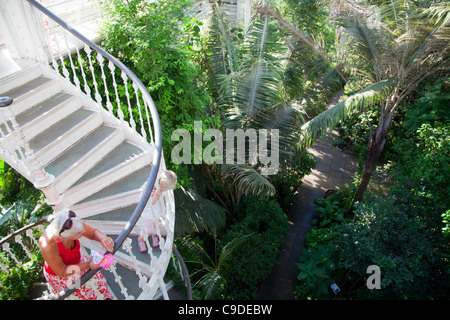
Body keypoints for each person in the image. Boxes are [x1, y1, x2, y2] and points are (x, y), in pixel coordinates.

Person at [39, 209, 115, 300]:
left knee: (96, 289)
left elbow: (92, 233)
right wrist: (88, 264)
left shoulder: (69, 222)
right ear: (62, 237)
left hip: (78, 260)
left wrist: (103, 238)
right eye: (78, 233)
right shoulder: (47, 244)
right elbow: (62, 271)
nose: (83, 232)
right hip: (63, 275)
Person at [138, 170, 177, 252]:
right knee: (148, 228)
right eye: (165, 189)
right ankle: (141, 239)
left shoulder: (157, 181)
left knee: (156, 224)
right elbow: (150, 203)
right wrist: (156, 194)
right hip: (148, 211)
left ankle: (154, 234)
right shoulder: (151, 189)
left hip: (155, 210)